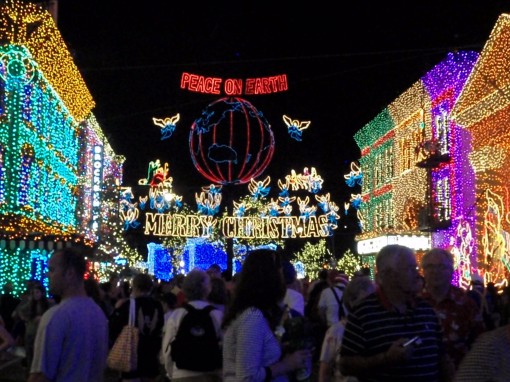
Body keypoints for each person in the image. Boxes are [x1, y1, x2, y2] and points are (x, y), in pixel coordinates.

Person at [339, 244, 446, 382]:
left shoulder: (426, 309)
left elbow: (442, 358)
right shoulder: (363, 313)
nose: (417, 274)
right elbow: (345, 365)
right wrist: (386, 358)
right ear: (389, 274)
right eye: (410, 269)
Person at [222, 248, 312, 382]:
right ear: (271, 279)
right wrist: (286, 365)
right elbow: (247, 377)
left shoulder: (253, 314)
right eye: (281, 275)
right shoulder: (252, 317)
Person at [28, 246, 109, 382]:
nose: (47, 275)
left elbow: (40, 376)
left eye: (52, 270)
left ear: (70, 273)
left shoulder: (56, 316)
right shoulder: (98, 313)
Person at [420, 247, 485, 375]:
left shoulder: (465, 303)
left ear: (451, 270)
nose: (436, 271)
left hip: (460, 373)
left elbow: (479, 341)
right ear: (424, 272)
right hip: (423, 374)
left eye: (441, 266)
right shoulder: (414, 302)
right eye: (430, 266)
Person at [162, 268, 223, 381]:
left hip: (181, 373)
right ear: (208, 289)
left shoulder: (177, 315)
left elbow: (167, 349)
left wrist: (171, 373)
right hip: (210, 373)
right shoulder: (217, 315)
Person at [318, 276, 375, 382]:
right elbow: (325, 372)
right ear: (352, 302)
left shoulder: (376, 327)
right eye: (365, 301)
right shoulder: (335, 332)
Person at [110, 273, 165, 382]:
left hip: (131, 358)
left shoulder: (127, 305)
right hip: (151, 357)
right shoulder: (157, 305)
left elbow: (113, 329)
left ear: (134, 286)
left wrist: (116, 310)